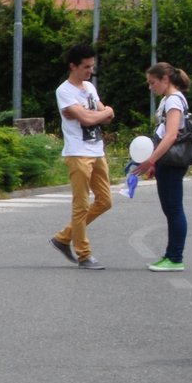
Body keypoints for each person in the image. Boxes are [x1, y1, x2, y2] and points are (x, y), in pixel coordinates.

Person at [49, 42, 114, 270]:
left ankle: (63, 237)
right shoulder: (64, 91)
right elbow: (88, 119)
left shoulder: (89, 87)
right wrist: (95, 113)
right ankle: (84, 254)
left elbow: (106, 113)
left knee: (105, 201)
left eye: (92, 66)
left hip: (97, 150)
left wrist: (97, 112)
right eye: (86, 67)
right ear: (73, 66)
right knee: (81, 205)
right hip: (78, 153)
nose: (90, 71)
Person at [136, 62, 191, 271]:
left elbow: (170, 135)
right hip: (166, 161)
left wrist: (151, 160)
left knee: (174, 209)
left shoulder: (173, 101)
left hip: (171, 161)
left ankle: (175, 258)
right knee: (171, 209)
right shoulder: (169, 99)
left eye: (153, 83)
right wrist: (155, 162)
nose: (151, 88)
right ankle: (171, 255)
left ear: (165, 79)